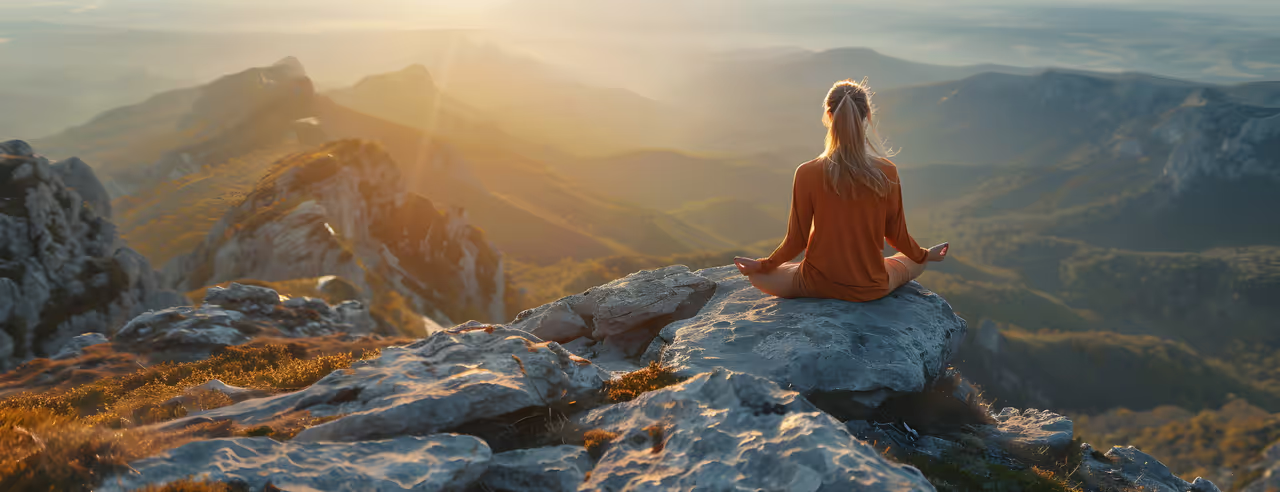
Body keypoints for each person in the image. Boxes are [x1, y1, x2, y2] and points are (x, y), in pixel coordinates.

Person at [734, 78, 949, 302]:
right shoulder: (887, 171)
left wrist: (763, 265)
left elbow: (797, 241)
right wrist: (925, 255)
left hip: (816, 284)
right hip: (871, 288)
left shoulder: (807, 172)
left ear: (828, 116)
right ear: (867, 116)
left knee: (758, 277)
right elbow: (896, 235)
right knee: (912, 261)